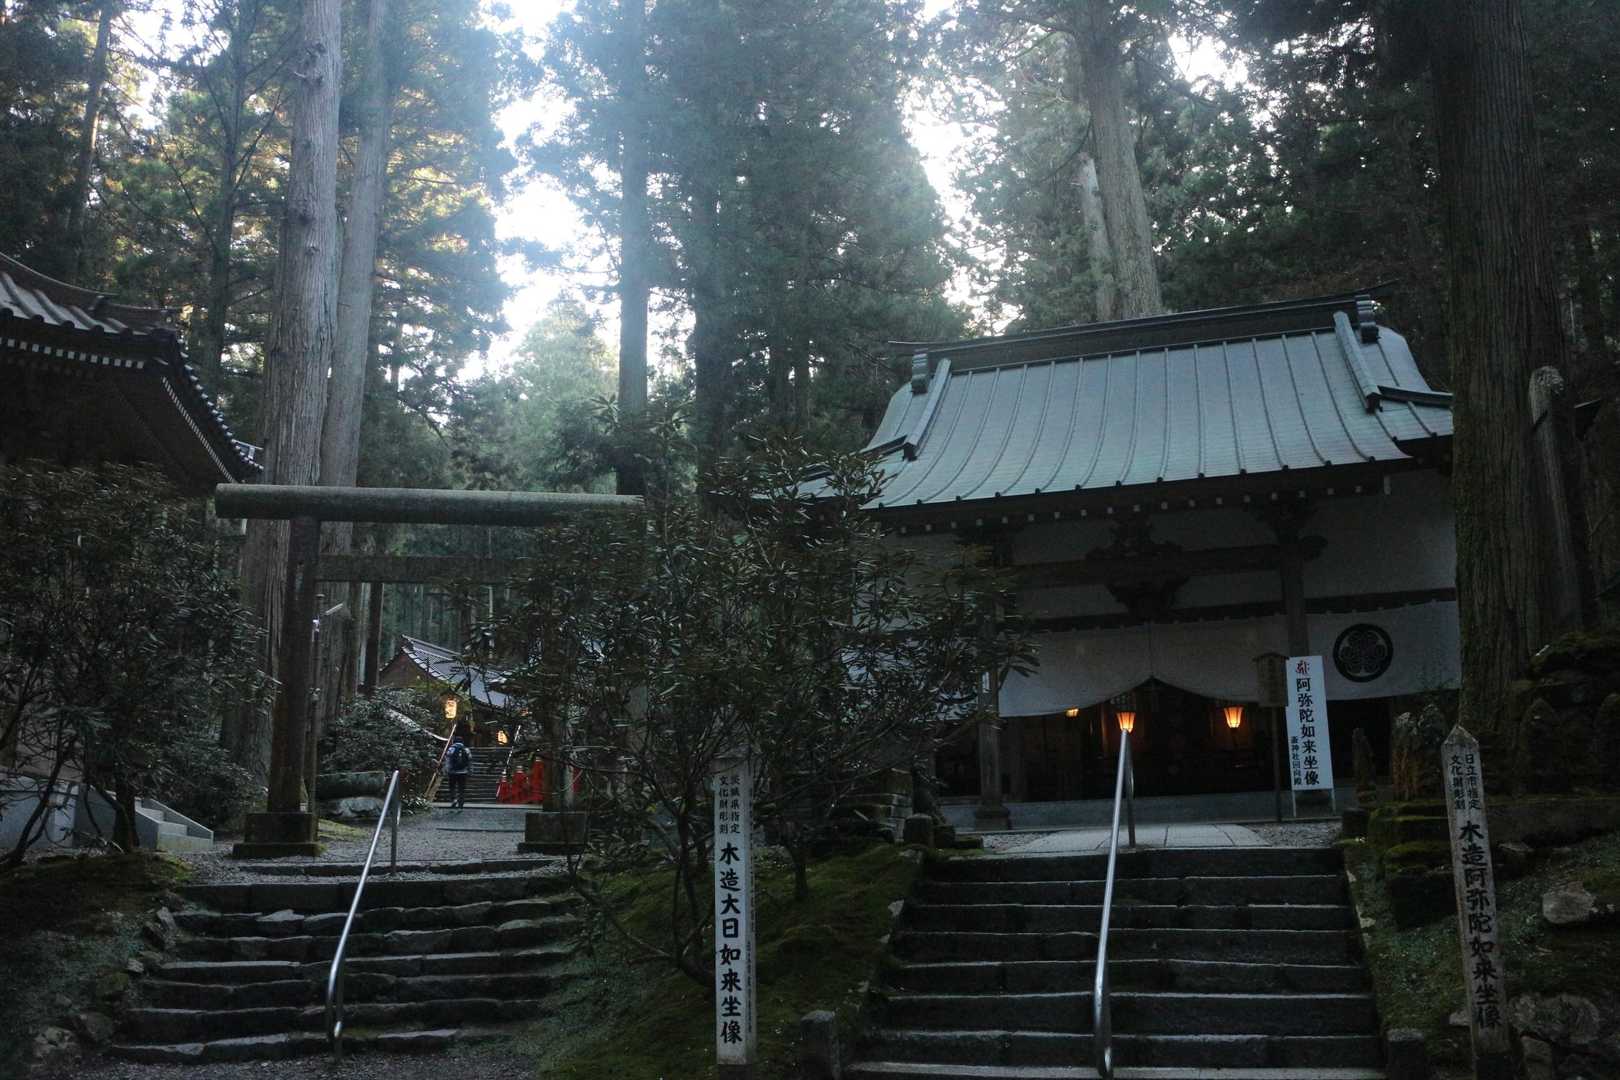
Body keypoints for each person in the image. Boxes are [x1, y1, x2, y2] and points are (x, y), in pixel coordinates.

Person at [444, 735, 473, 809]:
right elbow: (469, 760)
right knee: (461, 788)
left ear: (454, 741)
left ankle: (453, 800)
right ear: (462, 742)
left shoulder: (451, 749)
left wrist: (446, 769)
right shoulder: (466, 749)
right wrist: (470, 770)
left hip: (452, 772)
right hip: (463, 772)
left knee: (452, 787)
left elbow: (448, 759)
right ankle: (461, 803)